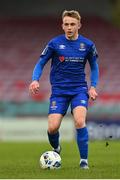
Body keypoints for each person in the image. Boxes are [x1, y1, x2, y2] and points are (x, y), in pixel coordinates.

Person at [29, 10, 99, 169]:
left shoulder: (87, 45)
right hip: (59, 91)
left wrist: (93, 86)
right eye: (66, 24)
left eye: (72, 24)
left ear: (79, 25)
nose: (69, 27)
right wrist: (35, 80)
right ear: (62, 25)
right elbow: (40, 63)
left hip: (79, 90)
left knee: (80, 121)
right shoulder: (54, 43)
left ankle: (84, 162)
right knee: (52, 128)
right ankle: (57, 148)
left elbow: (94, 67)